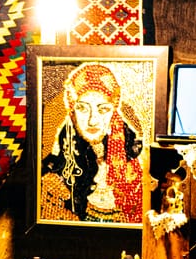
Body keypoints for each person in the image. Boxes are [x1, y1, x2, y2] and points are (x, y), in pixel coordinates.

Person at [41, 62, 144, 223]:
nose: (92, 120)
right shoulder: (52, 181)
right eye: (82, 108)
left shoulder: (133, 171)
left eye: (103, 109)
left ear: (113, 112)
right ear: (72, 112)